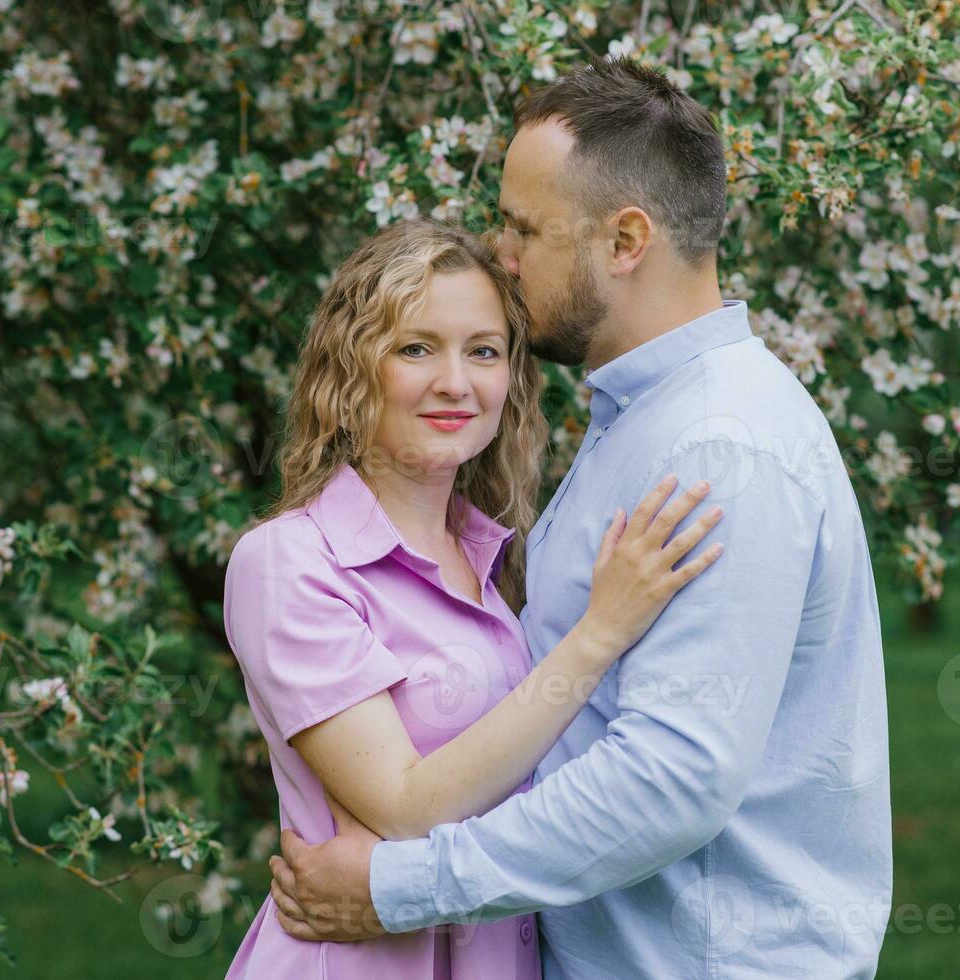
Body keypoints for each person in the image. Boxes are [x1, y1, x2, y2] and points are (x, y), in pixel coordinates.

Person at [268, 56, 894, 979]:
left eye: (523, 227)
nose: (502, 253)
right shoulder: (644, 421)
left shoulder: (717, 450)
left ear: (625, 239)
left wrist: (402, 886)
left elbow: (668, 778)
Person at [221, 216, 725, 978]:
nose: (455, 382)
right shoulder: (290, 561)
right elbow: (403, 805)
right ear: (352, 367)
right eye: (415, 348)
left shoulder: (496, 563)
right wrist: (602, 630)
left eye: (482, 351)